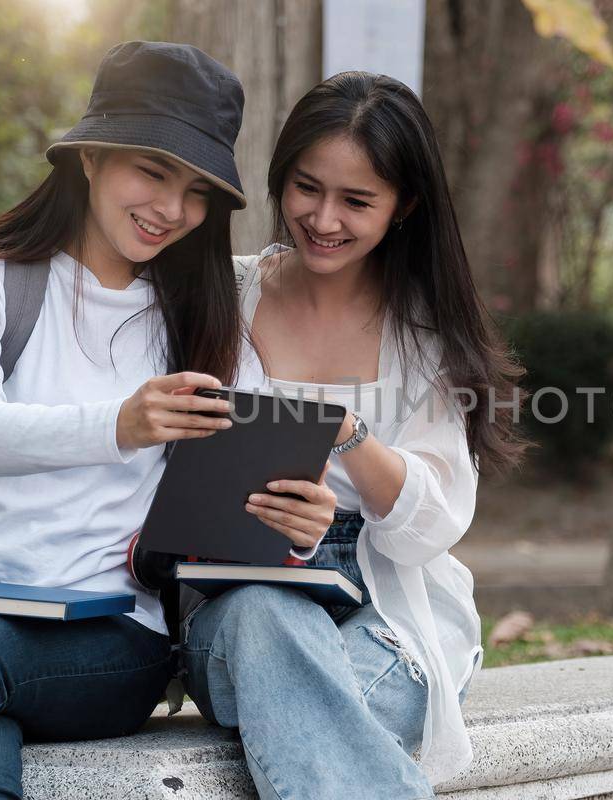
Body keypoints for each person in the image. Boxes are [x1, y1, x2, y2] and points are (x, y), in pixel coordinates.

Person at [0, 42, 337, 800]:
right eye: (153, 171)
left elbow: (255, 472)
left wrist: (302, 519)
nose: (172, 209)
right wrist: (121, 424)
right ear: (90, 157)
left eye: (198, 191)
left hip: (105, 641)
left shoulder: (205, 321)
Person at [178, 71, 529, 799]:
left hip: (393, 611)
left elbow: (428, 527)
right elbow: (157, 474)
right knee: (267, 616)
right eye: (307, 187)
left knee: (302, 726)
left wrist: (344, 437)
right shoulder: (220, 295)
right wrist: (274, 528)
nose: (323, 217)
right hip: (240, 608)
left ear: (404, 207)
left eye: (357, 201)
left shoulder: (427, 338)